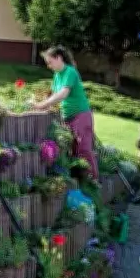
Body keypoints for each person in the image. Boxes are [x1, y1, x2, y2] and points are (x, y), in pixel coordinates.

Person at [32, 45, 99, 180]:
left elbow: (63, 94)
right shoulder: (57, 75)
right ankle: (78, 180)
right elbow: (53, 95)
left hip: (81, 115)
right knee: (72, 150)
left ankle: (93, 180)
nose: (49, 66)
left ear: (59, 58)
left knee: (83, 149)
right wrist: (42, 105)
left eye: (50, 62)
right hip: (68, 118)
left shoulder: (70, 72)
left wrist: (42, 105)